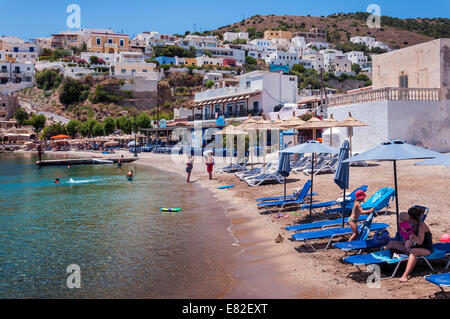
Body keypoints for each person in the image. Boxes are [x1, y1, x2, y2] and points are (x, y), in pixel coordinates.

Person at [386, 206, 433, 282]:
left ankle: (405, 275)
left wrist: (411, 234)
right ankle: (384, 264)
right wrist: (404, 233)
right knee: (391, 243)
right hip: (412, 246)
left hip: (425, 249)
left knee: (413, 251)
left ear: (411, 217)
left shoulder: (421, 226)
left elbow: (420, 241)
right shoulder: (409, 225)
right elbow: (406, 240)